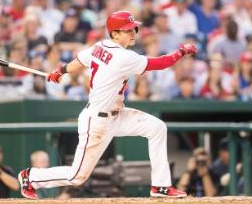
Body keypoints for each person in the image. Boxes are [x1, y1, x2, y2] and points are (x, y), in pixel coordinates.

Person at [18, 10, 197, 199]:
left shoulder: (100, 46)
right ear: (115, 33)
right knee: (77, 176)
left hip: (117, 115)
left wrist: (61, 71)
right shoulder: (123, 57)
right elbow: (160, 63)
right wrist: (181, 52)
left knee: (157, 127)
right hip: (97, 122)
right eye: (127, 30)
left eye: (133, 29)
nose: (133, 33)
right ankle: (31, 176)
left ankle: (160, 186)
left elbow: (80, 60)